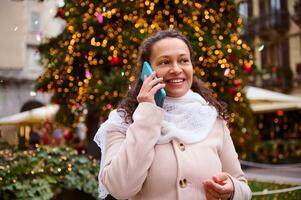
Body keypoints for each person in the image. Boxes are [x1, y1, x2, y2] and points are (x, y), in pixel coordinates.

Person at [94, 29, 252, 200]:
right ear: (147, 72)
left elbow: (243, 187)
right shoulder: (121, 121)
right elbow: (120, 188)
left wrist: (232, 188)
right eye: (164, 62)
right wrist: (147, 111)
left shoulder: (212, 118)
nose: (176, 69)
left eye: (184, 60)